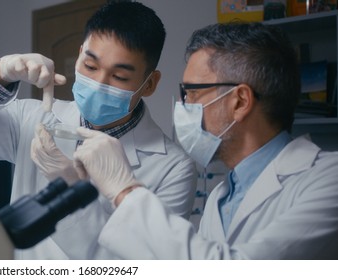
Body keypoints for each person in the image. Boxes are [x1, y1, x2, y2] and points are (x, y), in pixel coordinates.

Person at [0, 1, 197, 259]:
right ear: (78, 57)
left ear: (149, 84)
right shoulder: (32, 119)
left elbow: (144, 264)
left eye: (119, 76)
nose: (99, 82)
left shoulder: (173, 168)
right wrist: (1, 74)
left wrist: (70, 190)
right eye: (90, 66)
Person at [72, 21, 338, 259]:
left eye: (191, 93)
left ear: (240, 102)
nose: (184, 106)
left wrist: (124, 191)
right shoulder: (220, 198)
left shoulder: (329, 179)